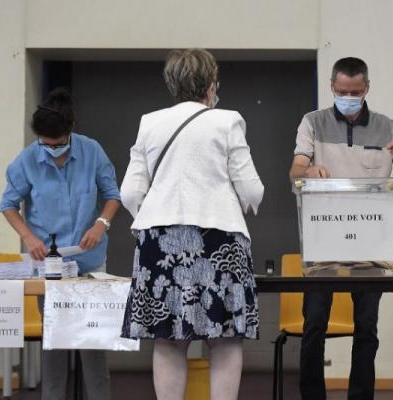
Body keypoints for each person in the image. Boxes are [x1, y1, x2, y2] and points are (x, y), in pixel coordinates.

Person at [119, 48, 264, 400]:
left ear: (173, 84)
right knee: (225, 338)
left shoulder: (149, 122)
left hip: (159, 239)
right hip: (219, 238)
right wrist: (243, 204)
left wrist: (156, 213)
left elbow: (129, 192)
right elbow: (251, 189)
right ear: (211, 85)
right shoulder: (227, 120)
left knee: (168, 340)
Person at [289, 57, 393, 400]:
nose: (349, 96)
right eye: (342, 90)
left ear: (367, 89)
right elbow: (295, 170)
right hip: (323, 239)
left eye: (356, 91)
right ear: (333, 87)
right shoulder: (312, 122)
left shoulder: (387, 126)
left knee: (367, 328)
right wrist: (309, 171)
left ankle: (361, 396)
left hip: (371, 242)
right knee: (314, 325)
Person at [0, 87, 120, 400]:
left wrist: (100, 223)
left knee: (93, 342)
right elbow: (8, 205)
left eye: (57, 143)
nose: (51, 149)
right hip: (48, 265)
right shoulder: (27, 160)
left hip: (90, 261)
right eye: (45, 144)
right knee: (55, 341)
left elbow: (112, 195)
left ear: (69, 132)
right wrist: (28, 237)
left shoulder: (92, 151)